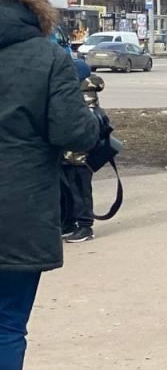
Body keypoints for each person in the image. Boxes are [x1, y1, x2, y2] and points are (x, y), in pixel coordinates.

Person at [0, 0, 101, 370]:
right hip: (16, 213)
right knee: (5, 324)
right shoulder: (46, 58)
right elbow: (75, 133)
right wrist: (94, 123)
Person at [60, 68, 105, 244]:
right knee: (69, 192)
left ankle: (85, 227)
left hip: (80, 156)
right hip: (69, 154)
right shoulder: (76, 92)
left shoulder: (86, 95)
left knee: (80, 191)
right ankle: (69, 224)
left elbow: (84, 124)